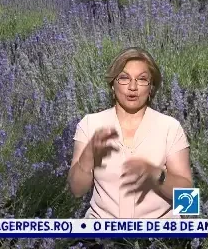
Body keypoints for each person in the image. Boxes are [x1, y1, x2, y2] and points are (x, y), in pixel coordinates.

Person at [68, 47, 193, 219]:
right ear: (113, 84)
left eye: (142, 79)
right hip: (103, 237)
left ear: (151, 87)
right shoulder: (91, 124)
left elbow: (187, 202)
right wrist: (88, 155)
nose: (132, 87)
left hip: (156, 239)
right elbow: (76, 191)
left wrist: (156, 174)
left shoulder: (170, 127)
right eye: (124, 78)